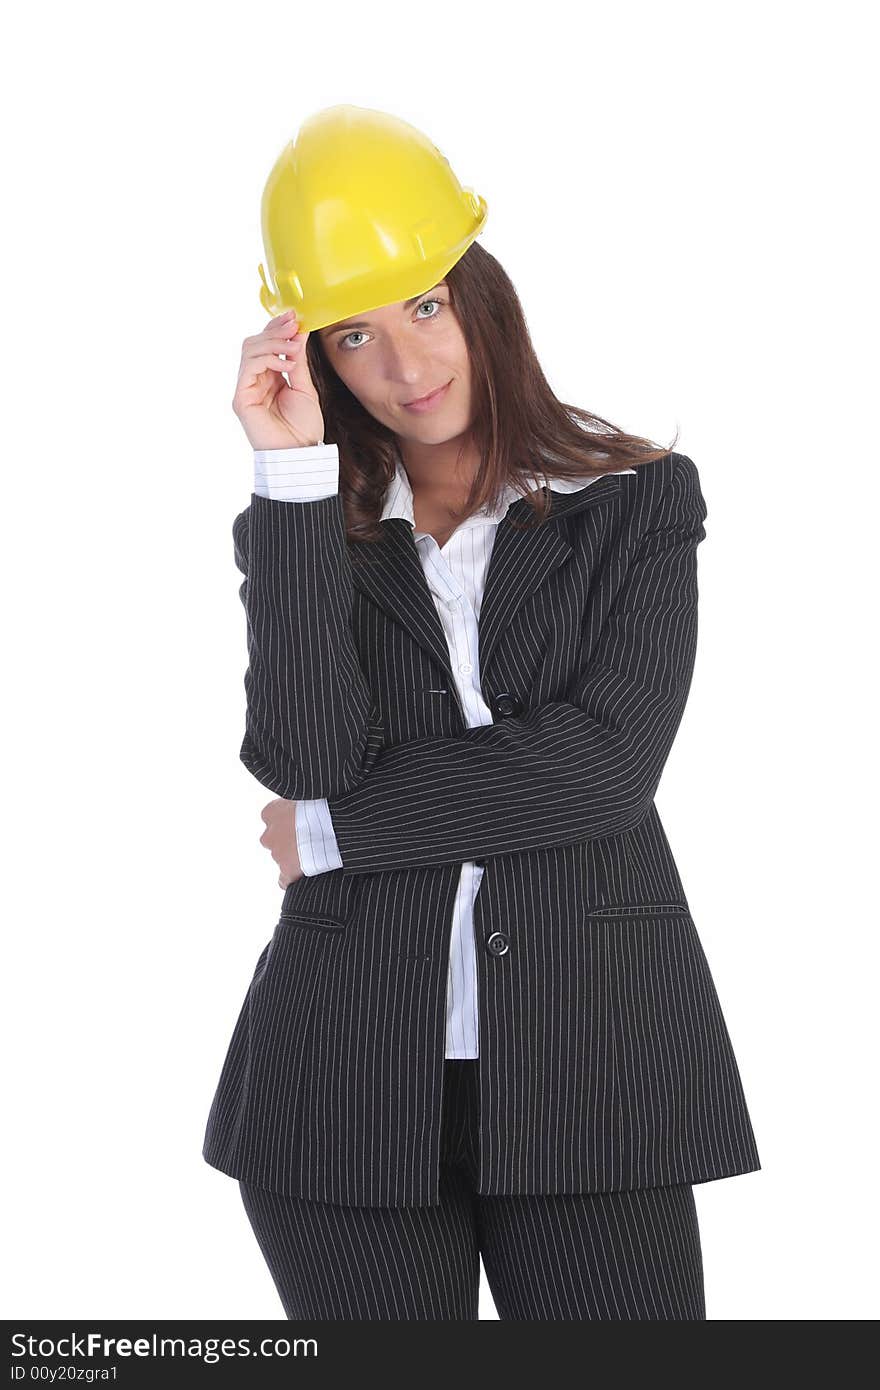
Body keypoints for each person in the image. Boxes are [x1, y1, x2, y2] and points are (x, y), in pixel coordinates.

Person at [202, 108, 761, 1321]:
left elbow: (604, 769)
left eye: (425, 309)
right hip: (338, 1079)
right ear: (322, 361)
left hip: (592, 1062)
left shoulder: (638, 505)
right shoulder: (308, 529)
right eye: (355, 335)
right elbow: (303, 755)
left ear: (479, 298)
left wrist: (337, 832)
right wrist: (289, 473)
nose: (405, 367)